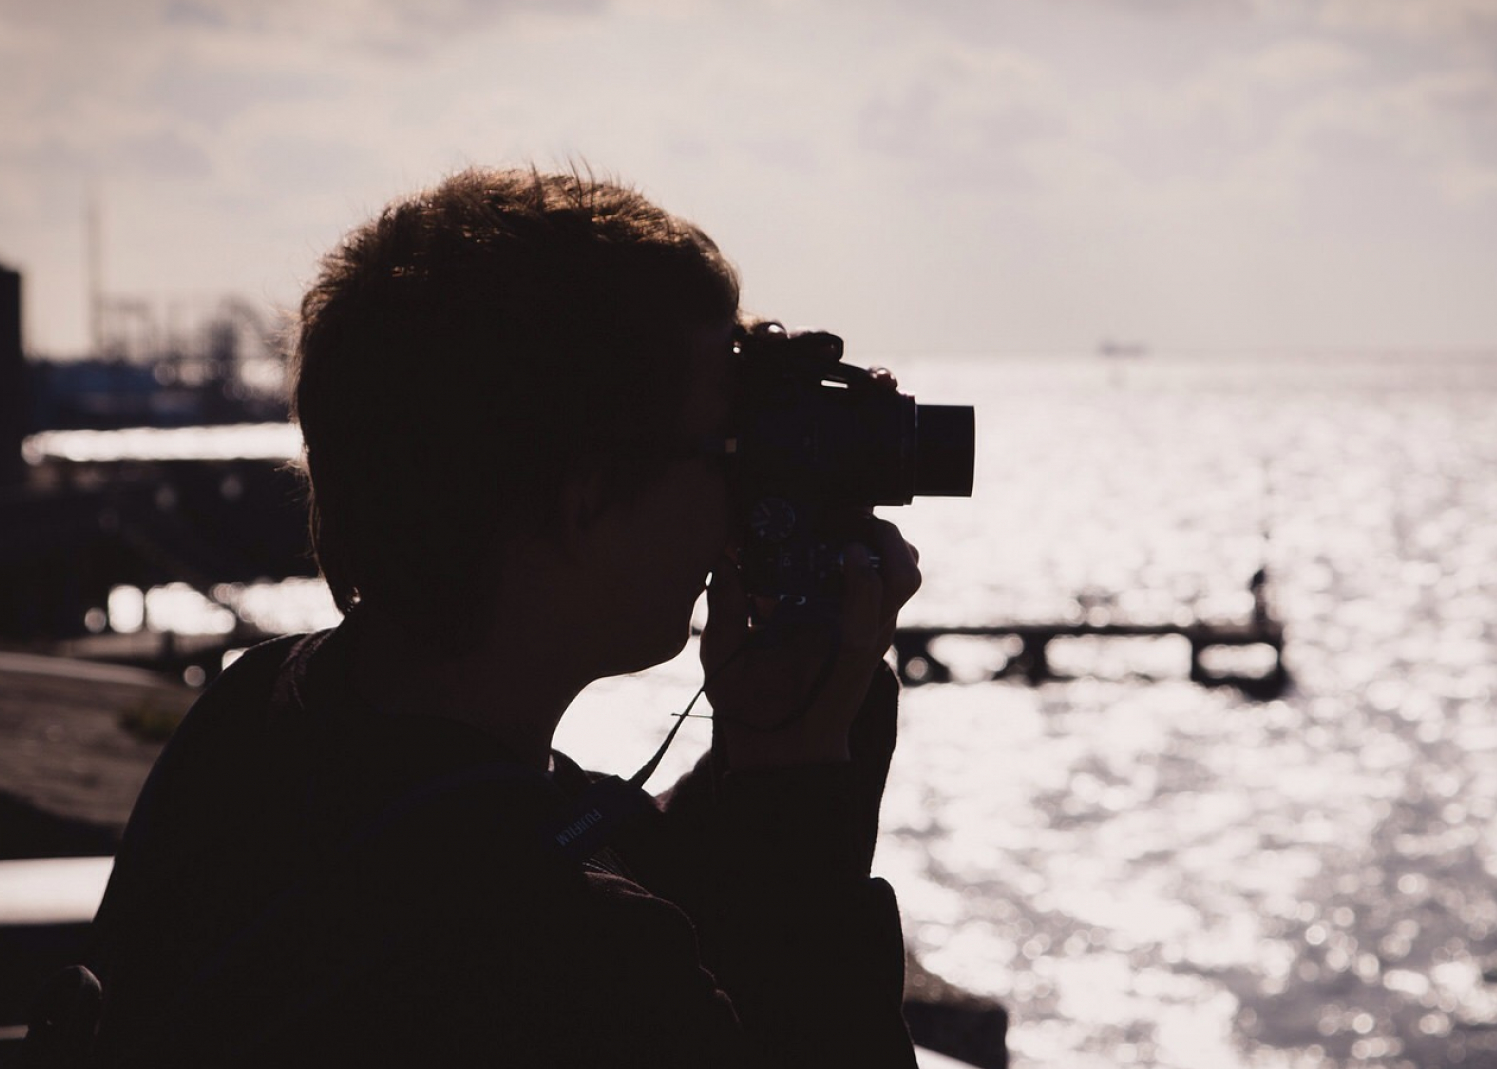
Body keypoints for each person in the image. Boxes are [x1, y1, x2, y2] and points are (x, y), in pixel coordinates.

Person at [65, 169, 924, 1067]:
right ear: (586, 499)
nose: (740, 495)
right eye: (726, 449)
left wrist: (773, 745)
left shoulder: (256, 716)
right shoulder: (573, 957)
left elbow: (579, 841)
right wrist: (798, 784)